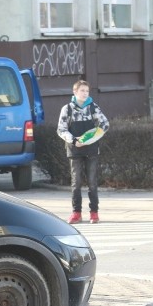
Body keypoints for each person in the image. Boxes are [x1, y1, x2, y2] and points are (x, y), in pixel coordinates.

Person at [57, 79, 110, 224]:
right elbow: (61, 129)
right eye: (82, 91)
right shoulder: (67, 109)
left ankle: (94, 213)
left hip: (92, 150)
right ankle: (76, 213)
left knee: (92, 182)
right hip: (74, 150)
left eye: (87, 91)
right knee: (76, 183)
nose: (85, 93)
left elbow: (105, 124)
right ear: (75, 92)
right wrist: (74, 140)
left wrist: (93, 137)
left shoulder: (93, 107)